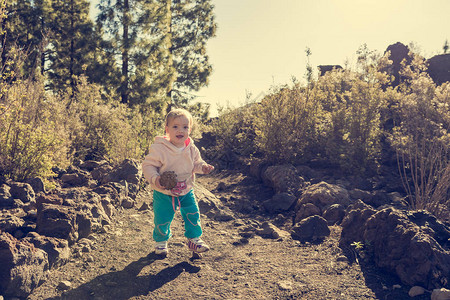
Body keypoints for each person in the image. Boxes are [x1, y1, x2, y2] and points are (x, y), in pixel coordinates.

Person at [142, 108, 214, 256]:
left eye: (185, 127)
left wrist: (203, 167)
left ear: (190, 129)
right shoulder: (160, 149)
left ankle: (194, 239)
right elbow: (148, 165)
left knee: (193, 213)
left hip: (186, 190)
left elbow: (196, 164)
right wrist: (155, 179)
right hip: (164, 192)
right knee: (162, 217)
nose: (180, 130)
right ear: (167, 130)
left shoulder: (191, 148)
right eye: (175, 127)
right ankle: (161, 242)